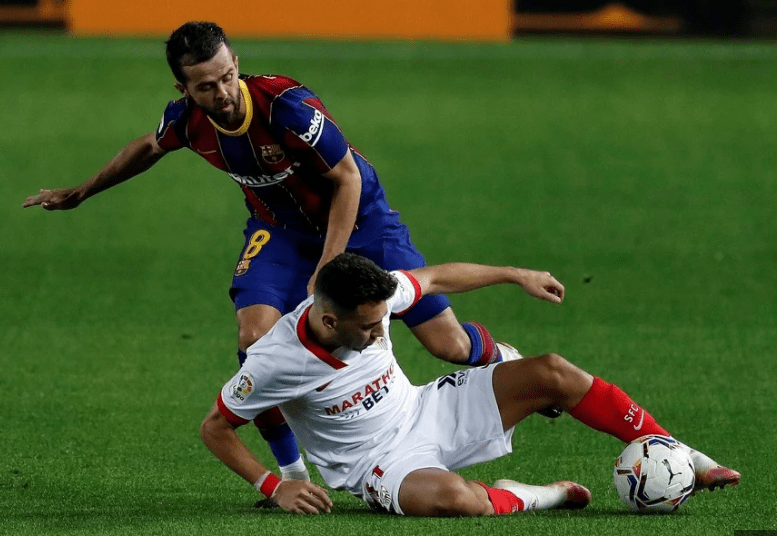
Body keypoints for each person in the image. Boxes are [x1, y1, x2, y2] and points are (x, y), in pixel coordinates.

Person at [21, 21, 545, 481]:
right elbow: (148, 146)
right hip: (281, 231)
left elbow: (347, 179)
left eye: (228, 76)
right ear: (184, 89)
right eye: (206, 86)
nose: (223, 92)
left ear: (236, 63)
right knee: (254, 339)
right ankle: (291, 471)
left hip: (362, 220)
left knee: (447, 345)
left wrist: (329, 267)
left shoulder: (286, 106)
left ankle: (503, 358)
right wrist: (82, 191)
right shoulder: (188, 120)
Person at [201, 253, 741, 516]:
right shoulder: (275, 360)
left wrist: (516, 275)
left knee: (553, 370)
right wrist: (276, 485)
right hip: (377, 464)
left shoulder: (372, 300)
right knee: (455, 500)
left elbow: (435, 278)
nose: (380, 332)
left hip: (426, 409)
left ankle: (684, 455)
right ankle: (539, 495)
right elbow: (216, 427)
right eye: (367, 328)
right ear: (327, 319)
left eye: (381, 321)